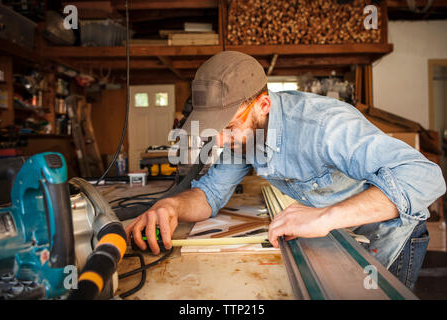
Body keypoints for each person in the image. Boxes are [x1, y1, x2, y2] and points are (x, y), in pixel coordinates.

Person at [125, 51, 446, 289]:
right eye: (213, 129)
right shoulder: (242, 138)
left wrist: (325, 217)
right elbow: (209, 194)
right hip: (339, 234)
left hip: (389, 234)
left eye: (229, 127)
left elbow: (425, 176)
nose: (219, 140)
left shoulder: (325, 125)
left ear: (263, 106)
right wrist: (172, 205)